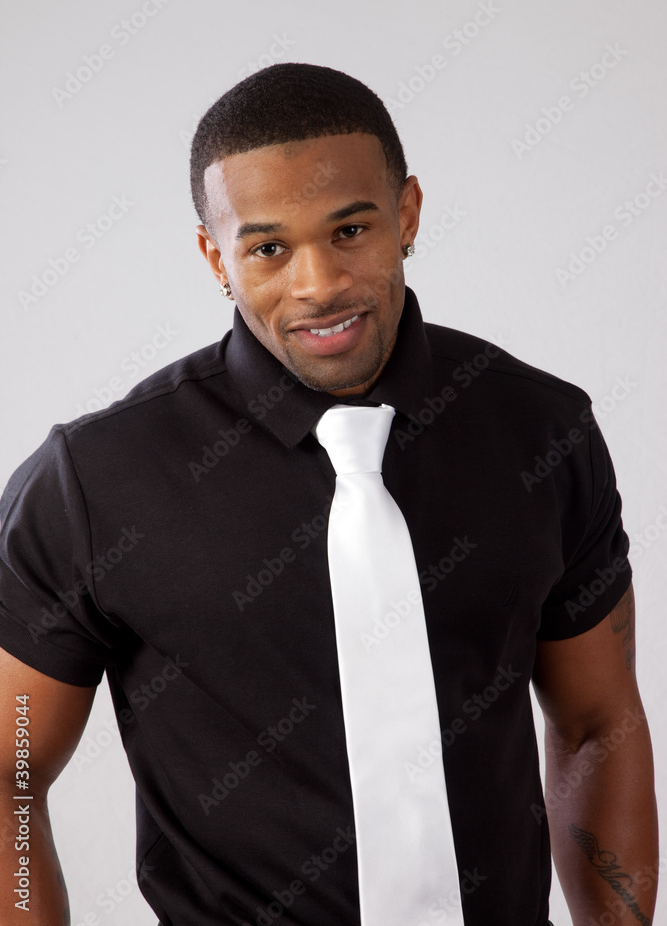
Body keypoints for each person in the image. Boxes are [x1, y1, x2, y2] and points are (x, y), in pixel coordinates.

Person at [0, 62, 657, 926]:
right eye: (268, 247)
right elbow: (10, 779)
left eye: (350, 230)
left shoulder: (541, 431)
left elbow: (594, 722)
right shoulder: (93, 480)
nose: (317, 284)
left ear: (407, 214)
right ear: (215, 256)